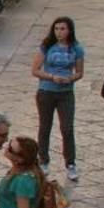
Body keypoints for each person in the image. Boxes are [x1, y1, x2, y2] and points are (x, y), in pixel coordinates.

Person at [33, 17, 85, 181]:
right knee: (45, 127)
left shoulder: (76, 48)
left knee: (67, 128)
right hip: (46, 91)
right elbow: (35, 70)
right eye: (56, 29)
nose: (59, 32)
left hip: (66, 93)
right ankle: (44, 160)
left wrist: (70, 79)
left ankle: (70, 163)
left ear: (69, 30)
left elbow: (79, 72)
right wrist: (51, 77)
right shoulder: (46, 46)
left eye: (63, 29)